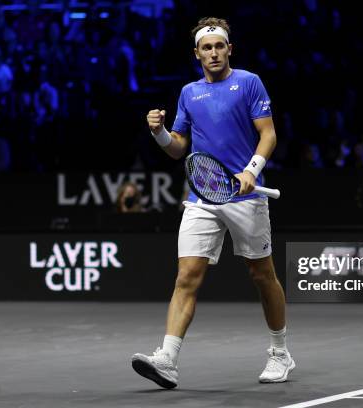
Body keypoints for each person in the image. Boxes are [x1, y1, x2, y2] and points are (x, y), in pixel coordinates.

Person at [131, 17, 294, 389]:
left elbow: (267, 133)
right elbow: (178, 148)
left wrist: (252, 169)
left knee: (261, 275)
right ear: (197, 54)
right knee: (187, 275)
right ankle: (168, 359)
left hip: (246, 195)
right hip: (202, 197)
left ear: (229, 49)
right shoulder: (189, 93)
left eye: (220, 46)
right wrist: (158, 133)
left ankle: (280, 351)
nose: (214, 52)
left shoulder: (249, 82)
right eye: (207, 47)